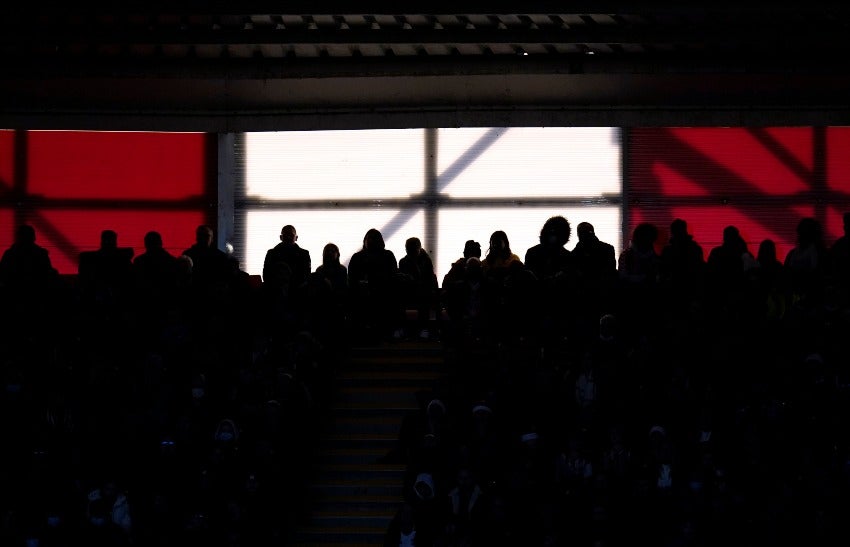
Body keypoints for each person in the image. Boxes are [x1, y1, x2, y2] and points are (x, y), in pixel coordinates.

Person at [348, 228, 401, 341]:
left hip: (382, 292)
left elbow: (393, 276)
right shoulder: (358, 257)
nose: (371, 241)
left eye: (373, 238)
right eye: (369, 238)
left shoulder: (387, 255)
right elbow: (352, 278)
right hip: (364, 292)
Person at [398, 237, 438, 340]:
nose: (410, 252)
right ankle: (422, 329)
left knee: (423, 296)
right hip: (412, 291)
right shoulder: (423, 260)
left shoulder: (422, 261)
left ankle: (406, 328)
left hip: (418, 291)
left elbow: (429, 279)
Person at [262, 224, 311, 299]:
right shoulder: (271, 253)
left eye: (290, 235)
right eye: (286, 235)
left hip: (297, 295)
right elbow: (267, 276)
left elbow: (306, 276)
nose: (288, 237)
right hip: (275, 295)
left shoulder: (304, 254)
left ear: (296, 237)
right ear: (281, 237)